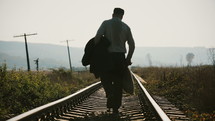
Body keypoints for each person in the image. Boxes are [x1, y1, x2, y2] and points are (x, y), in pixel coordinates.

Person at [94, 8, 135, 114]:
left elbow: (97, 37)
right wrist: (128, 59)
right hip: (120, 58)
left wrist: (96, 52)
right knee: (118, 82)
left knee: (105, 77)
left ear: (113, 14)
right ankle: (116, 108)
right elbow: (132, 45)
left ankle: (109, 92)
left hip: (107, 57)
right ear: (122, 16)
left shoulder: (106, 23)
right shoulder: (126, 27)